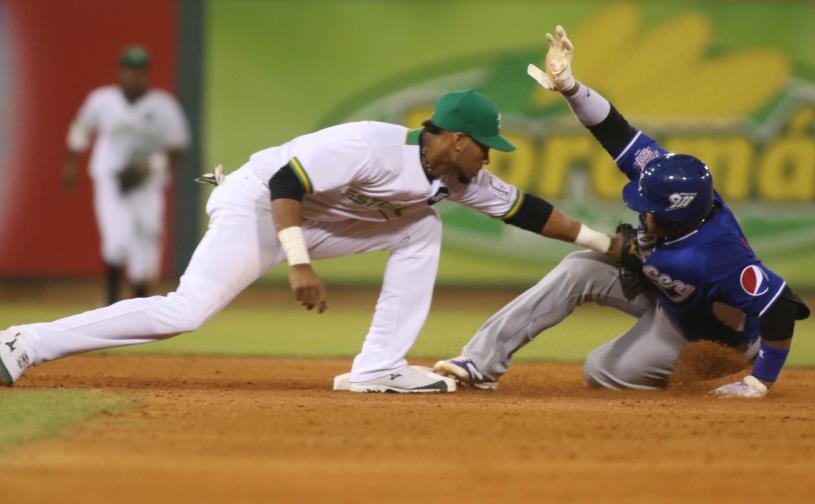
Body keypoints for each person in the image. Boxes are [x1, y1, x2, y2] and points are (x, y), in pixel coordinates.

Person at [2, 89, 616, 393]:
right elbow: (285, 181)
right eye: (485, 147)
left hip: (318, 219)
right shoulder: (370, 145)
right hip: (259, 203)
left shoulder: (453, 177)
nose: (489, 160)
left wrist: (606, 246)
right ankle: (25, 342)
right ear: (455, 138)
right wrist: (298, 263)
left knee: (422, 228)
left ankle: (376, 369)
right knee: (184, 313)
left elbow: (527, 212)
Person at [434, 26, 810, 398]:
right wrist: (570, 87)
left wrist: (761, 380)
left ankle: (721, 367)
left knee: (601, 372)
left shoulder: (717, 257)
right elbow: (613, 129)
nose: (641, 211)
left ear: (676, 215)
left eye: (649, 209)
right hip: (672, 300)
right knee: (579, 267)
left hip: (714, 335)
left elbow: (780, 304)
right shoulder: (666, 178)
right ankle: (480, 363)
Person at [61, 45, 191, 305]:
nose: (134, 76)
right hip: (110, 177)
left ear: (146, 73)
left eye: (139, 71)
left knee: (148, 236)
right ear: (121, 72)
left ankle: (140, 304)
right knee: (117, 239)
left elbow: (178, 146)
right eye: (130, 70)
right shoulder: (102, 100)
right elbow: (81, 128)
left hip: (147, 183)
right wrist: (71, 163)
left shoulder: (163, 106)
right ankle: (110, 300)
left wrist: (149, 167)